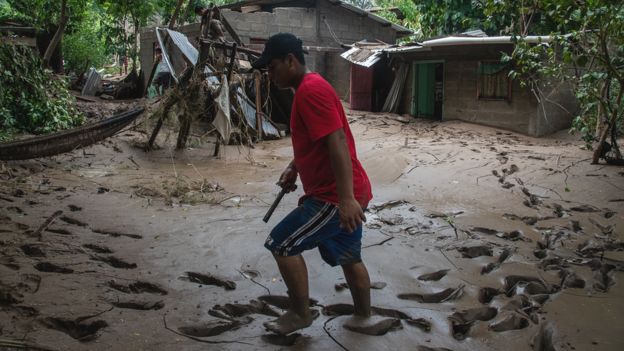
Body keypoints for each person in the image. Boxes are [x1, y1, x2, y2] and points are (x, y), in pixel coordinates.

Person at [252, 33, 378, 335]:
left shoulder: (310, 91)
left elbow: (336, 142)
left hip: (334, 196)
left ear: (291, 61)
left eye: (272, 67)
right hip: (349, 190)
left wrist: (345, 199)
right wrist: (295, 166)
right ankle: (363, 316)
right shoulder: (310, 87)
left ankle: (300, 313)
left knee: (282, 243)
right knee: (349, 256)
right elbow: (319, 140)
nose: (270, 75)